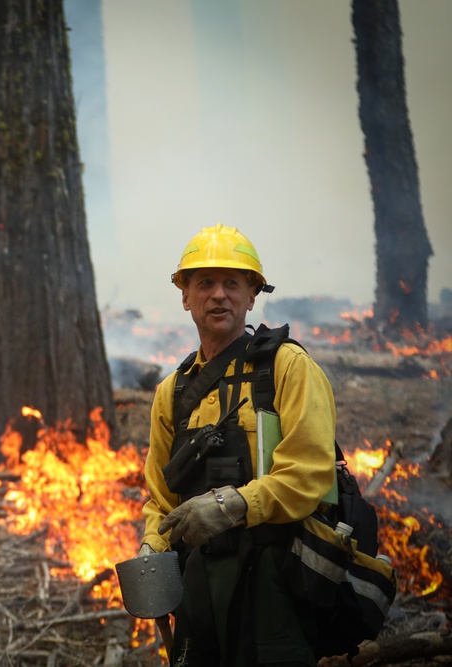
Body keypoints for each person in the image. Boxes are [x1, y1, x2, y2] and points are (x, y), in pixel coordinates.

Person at [138, 224, 337, 666]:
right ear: (185, 295)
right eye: (205, 283)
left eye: (233, 283)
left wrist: (233, 505)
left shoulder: (288, 367)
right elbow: (160, 498)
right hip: (197, 585)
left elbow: (311, 473)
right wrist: (153, 545)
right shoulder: (171, 393)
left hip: (274, 581)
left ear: (252, 295)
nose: (219, 295)